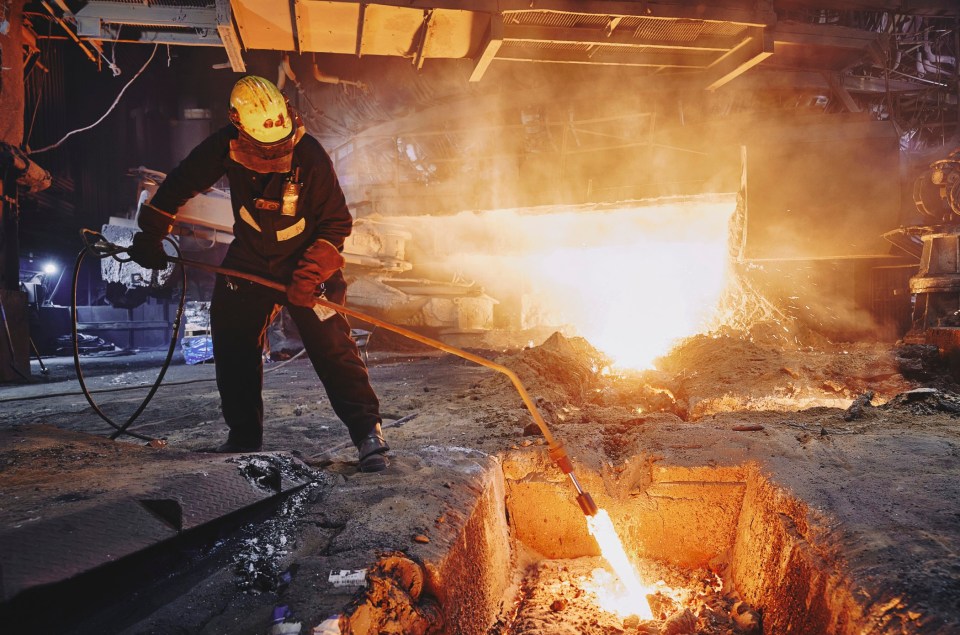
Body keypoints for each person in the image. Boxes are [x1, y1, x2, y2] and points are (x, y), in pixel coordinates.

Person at [127, 75, 389, 472]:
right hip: (249, 261)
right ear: (238, 123)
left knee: (333, 346)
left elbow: (335, 224)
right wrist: (152, 230)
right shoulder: (224, 147)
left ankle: (368, 433)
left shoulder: (311, 155)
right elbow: (180, 182)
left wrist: (309, 275)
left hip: (306, 263)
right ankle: (243, 436)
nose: (274, 155)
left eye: (279, 147)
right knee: (232, 339)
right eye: (264, 149)